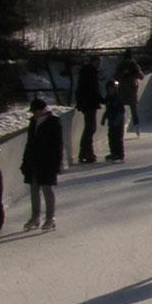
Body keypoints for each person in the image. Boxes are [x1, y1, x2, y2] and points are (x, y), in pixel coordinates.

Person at [19, 98, 64, 231]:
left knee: (46, 188)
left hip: (48, 161)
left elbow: (58, 144)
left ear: (41, 110)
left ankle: (50, 218)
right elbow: (29, 143)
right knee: (34, 188)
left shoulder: (53, 122)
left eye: (35, 111)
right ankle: (35, 217)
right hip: (34, 160)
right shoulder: (33, 123)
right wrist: (25, 160)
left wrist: (57, 162)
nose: (33, 114)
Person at [75, 58, 103, 164]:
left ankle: (86, 152)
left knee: (90, 128)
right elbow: (91, 90)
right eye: (97, 62)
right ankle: (86, 152)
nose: (98, 65)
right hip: (89, 104)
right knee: (90, 128)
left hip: (89, 103)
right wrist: (99, 99)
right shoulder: (89, 73)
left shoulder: (88, 72)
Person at [115, 52, 144, 134]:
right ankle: (123, 127)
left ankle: (136, 127)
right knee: (124, 110)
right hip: (126, 91)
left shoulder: (133, 66)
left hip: (129, 91)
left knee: (133, 111)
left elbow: (141, 76)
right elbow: (116, 76)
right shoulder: (123, 66)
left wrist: (134, 73)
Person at [103, 87, 127, 163]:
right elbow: (108, 109)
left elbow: (121, 111)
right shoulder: (108, 98)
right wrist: (104, 119)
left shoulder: (117, 99)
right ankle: (114, 153)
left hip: (118, 122)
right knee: (111, 137)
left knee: (118, 138)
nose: (111, 91)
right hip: (112, 121)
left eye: (113, 89)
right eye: (110, 89)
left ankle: (120, 154)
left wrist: (118, 121)